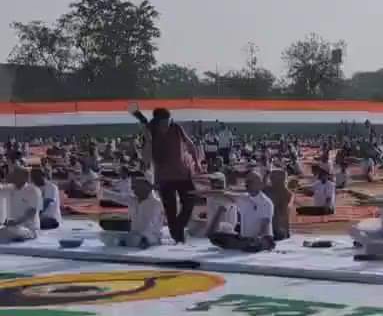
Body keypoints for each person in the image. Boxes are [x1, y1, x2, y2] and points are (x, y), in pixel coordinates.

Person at [133, 107, 200, 243]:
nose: (166, 125)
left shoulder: (176, 127)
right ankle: (178, 238)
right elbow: (146, 158)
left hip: (183, 174)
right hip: (164, 178)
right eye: (163, 123)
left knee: (190, 201)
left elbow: (190, 144)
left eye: (167, 122)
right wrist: (148, 139)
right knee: (170, 210)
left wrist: (197, 162)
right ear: (156, 122)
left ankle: (178, 229)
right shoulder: (151, 132)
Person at [209, 172, 277, 253]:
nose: (247, 184)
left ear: (260, 184)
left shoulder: (266, 203)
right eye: (246, 182)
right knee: (215, 237)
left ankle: (248, 245)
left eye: (250, 182)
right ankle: (245, 245)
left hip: (262, 239)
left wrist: (256, 240)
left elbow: (265, 226)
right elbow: (224, 194)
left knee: (257, 243)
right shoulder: (243, 198)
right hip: (245, 239)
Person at [100, 175, 166, 247]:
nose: (133, 189)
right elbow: (116, 196)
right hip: (135, 238)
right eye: (133, 186)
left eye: (136, 186)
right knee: (105, 236)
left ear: (147, 186)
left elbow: (151, 224)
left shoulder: (156, 203)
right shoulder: (133, 200)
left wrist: (144, 239)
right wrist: (98, 189)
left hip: (150, 240)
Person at [0, 167, 42, 243]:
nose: (12, 176)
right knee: (7, 230)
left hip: (30, 229)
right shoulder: (10, 188)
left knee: (10, 230)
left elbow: (32, 212)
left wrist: (16, 222)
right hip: (13, 227)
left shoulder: (34, 190)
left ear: (25, 177)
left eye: (15, 174)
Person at [265, 168, 293, 241]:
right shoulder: (286, 193)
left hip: (279, 229)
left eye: (273, 178)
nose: (271, 180)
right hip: (277, 228)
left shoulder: (285, 193)